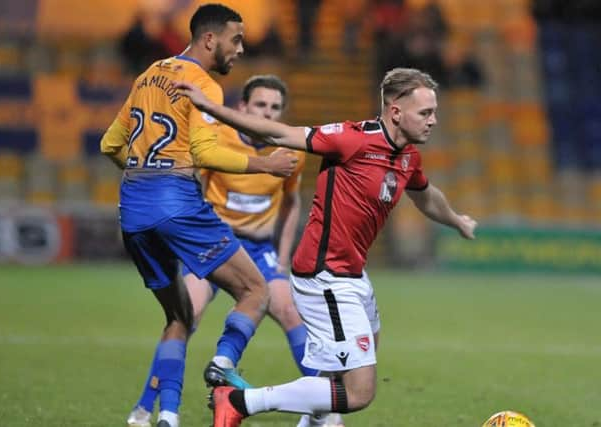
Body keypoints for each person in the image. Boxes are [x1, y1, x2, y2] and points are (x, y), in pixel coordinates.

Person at [174, 67, 478, 427]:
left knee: (343, 370)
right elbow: (277, 131)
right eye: (425, 113)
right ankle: (241, 401)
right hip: (324, 277)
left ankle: (312, 422)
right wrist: (211, 106)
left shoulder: (408, 157)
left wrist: (456, 220)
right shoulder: (351, 139)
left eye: (434, 112)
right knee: (358, 392)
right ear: (396, 111)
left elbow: (427, 197)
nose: (433, 121)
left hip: (353, 275)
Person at [100, 4, 298, 427]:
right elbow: (206, 152)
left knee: (178, 317)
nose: (240, 49)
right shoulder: (201, 82)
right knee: (256, 292)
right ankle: (223, 364)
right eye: (236, 39)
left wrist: (148, 179)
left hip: (132, 208)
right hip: (177, 203)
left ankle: (166, 415)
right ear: (211, 39)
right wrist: (266, 166)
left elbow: (109, 145)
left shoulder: (148, 74)